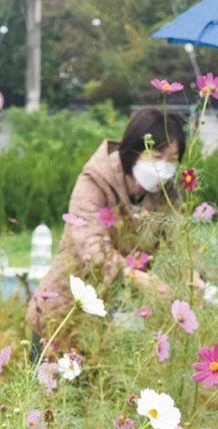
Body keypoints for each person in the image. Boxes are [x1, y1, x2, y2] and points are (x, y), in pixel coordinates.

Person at [27, 106, 186, 351]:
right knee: (55, 372)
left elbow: (183, 239)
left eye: (172, 160)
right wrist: (136, 276)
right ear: (134, 151)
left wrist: (193, 275)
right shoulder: (95, 180)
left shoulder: (167, 192)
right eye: (156, 157)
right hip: (66, 309)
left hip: (116, 317)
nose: (164, 168)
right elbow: (92, 247)